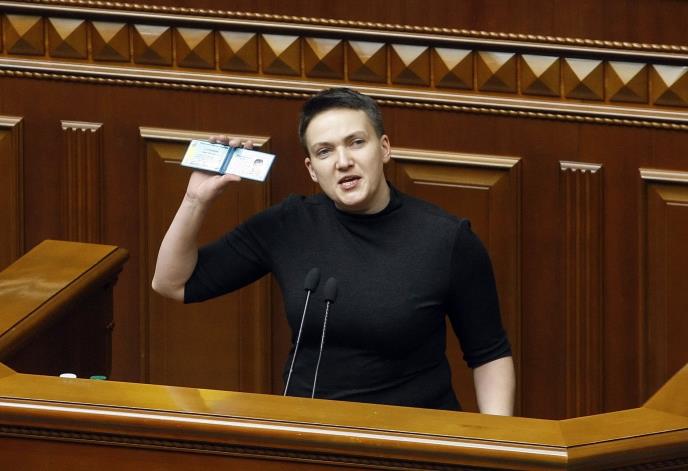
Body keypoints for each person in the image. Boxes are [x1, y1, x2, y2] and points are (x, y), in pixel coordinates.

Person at [152, 87, 515, 415]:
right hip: (311, 432)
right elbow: (173, 283)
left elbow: (489, 354)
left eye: (356, 143)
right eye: (325, 151)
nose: (343, 161)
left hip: (412, 434)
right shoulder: (289, 224)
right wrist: (195, 199)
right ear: (312, 169)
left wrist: (497, 445)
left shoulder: (447, 239)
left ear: (384, 148)